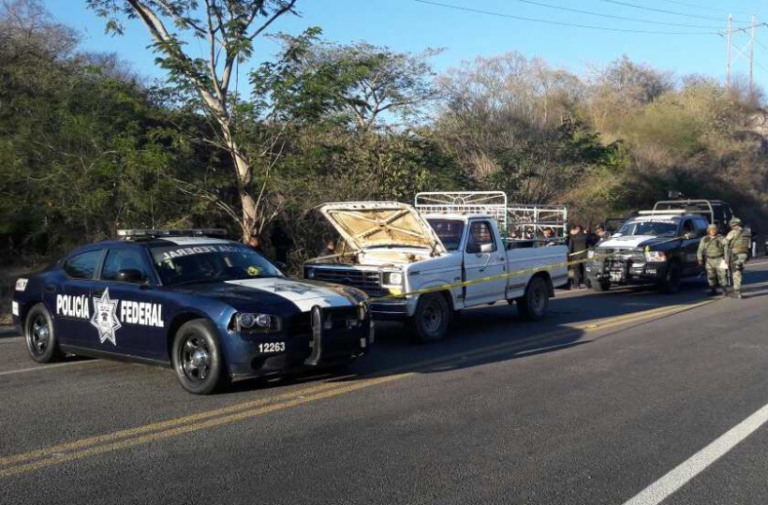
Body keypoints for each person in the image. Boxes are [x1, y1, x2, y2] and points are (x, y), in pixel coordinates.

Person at [697, 224, 728, 296]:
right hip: (709, 260)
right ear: (708, 231)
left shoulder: (721, 238)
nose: (713, 231)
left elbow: (726, 248)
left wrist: (726, 259)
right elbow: (700, 250)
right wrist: (700, 259)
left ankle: (724, 290)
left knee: (722, 275)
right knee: (711, 276)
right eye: (711, 230)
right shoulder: (705, 239)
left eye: (714, 229)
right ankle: (713, 290)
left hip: (720, 259)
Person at [723, 217, 750, 299]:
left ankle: (737, 292)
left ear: (733, 225)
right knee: (739, 271)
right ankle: (738, 291)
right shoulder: (747, 232)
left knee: (736, 272)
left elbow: (724, 242)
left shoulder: (733, 232)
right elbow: (749, 245)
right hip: (744, 255)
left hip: (735, 255)